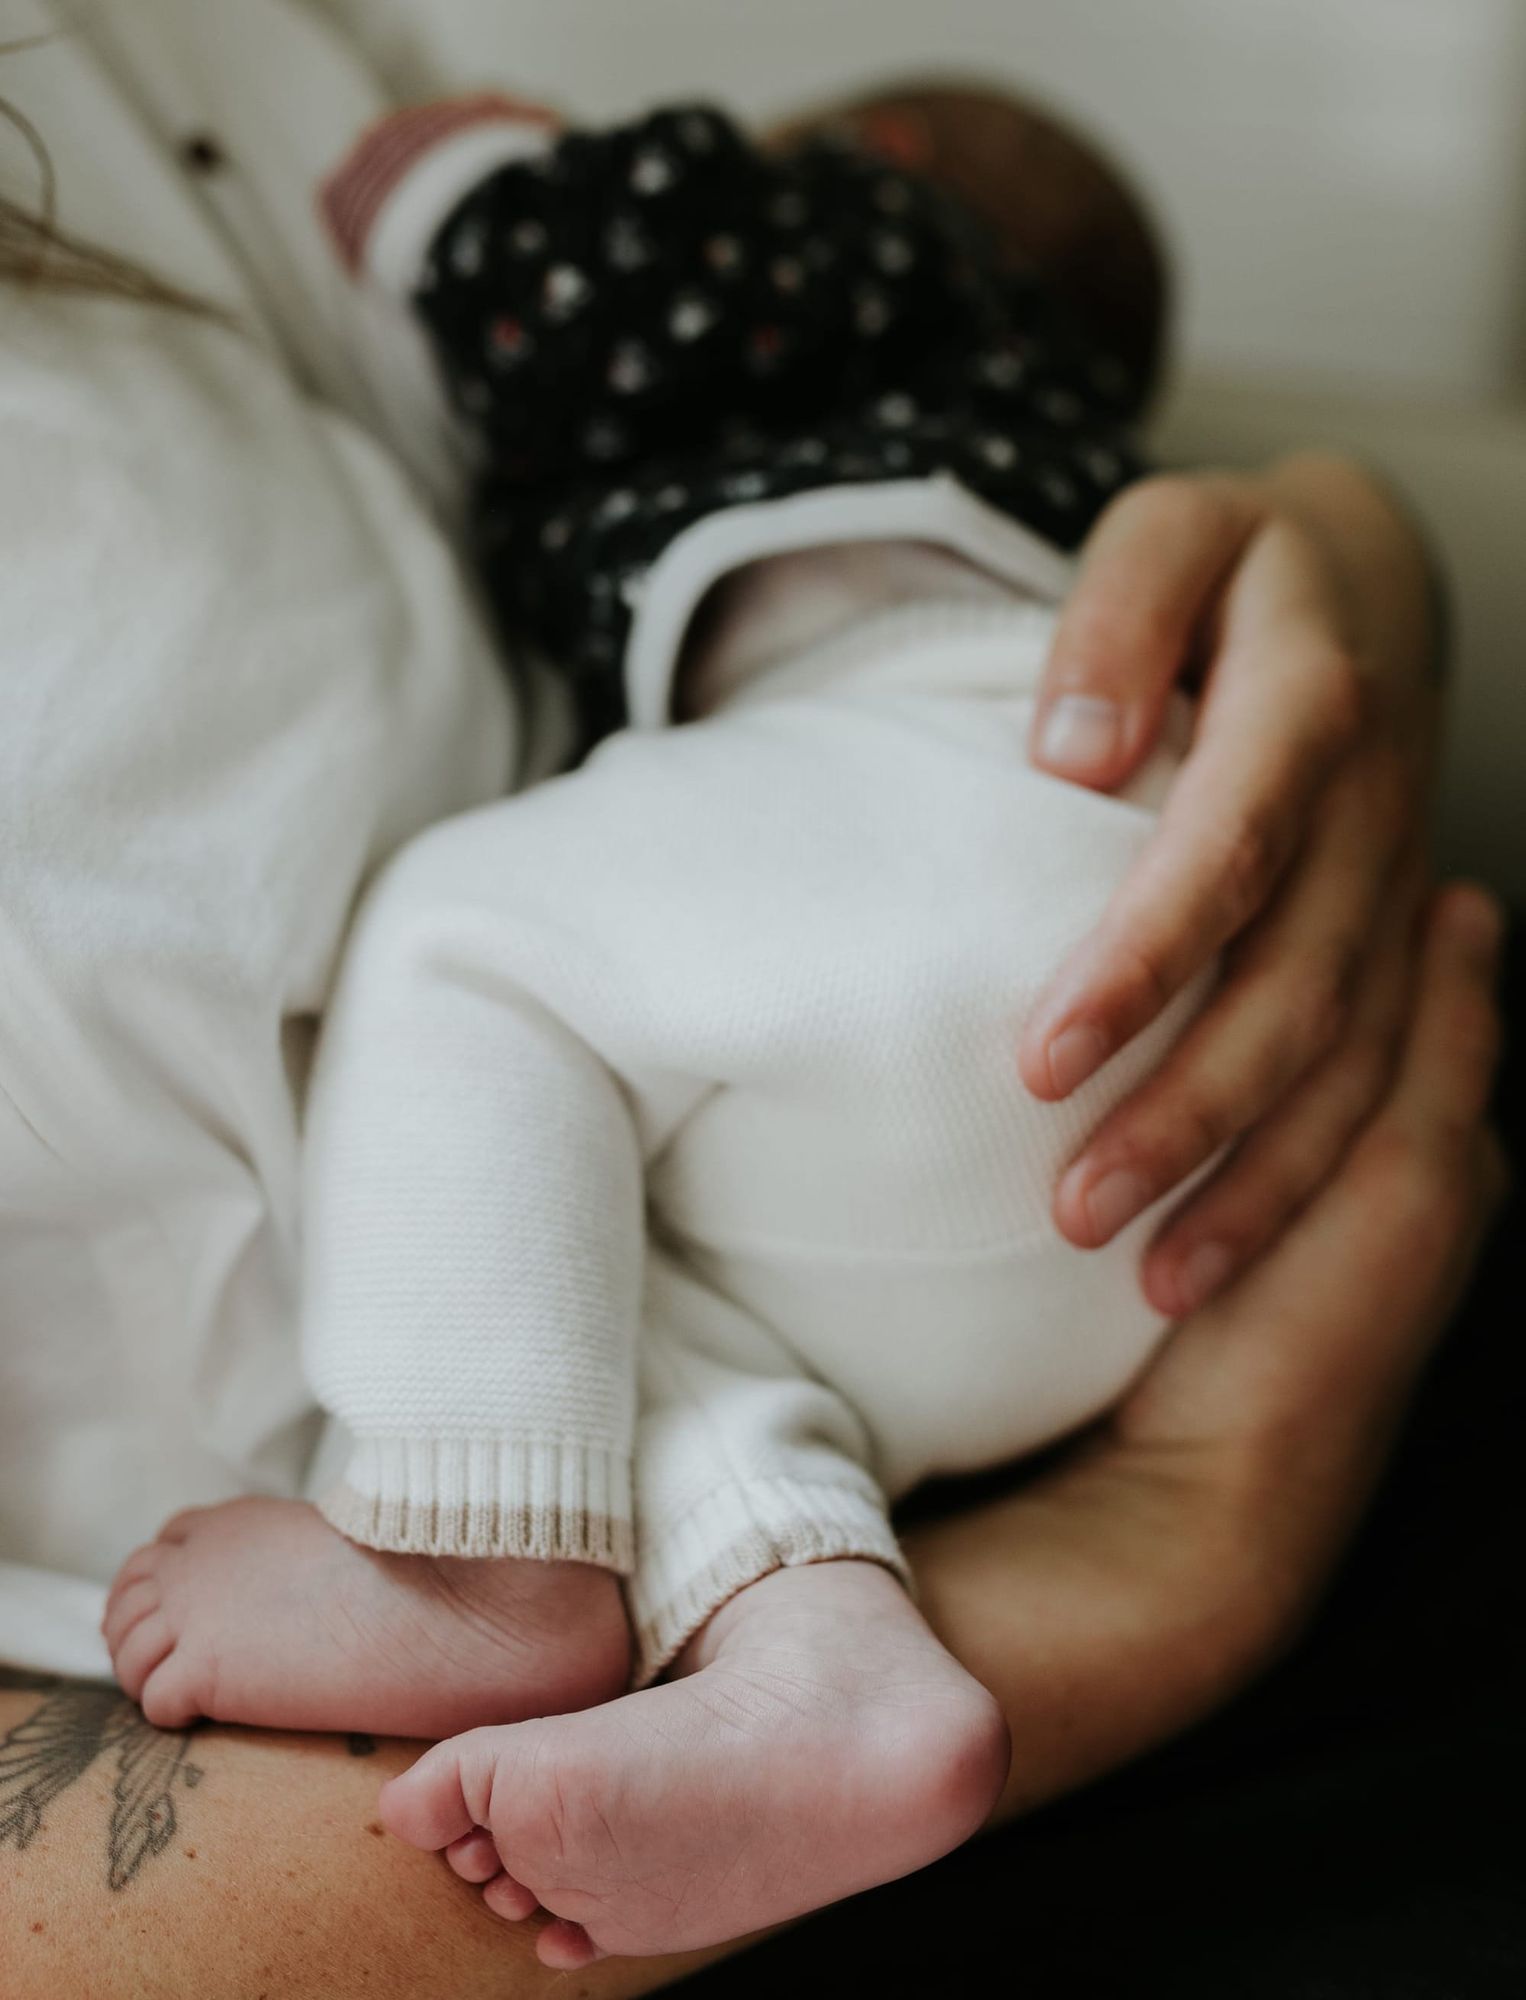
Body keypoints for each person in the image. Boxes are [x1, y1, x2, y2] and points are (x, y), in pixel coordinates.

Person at [0, 1, 1500, 1994]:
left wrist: (1347, 548)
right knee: (588, 1307)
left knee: (463, 945)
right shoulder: (845, 402)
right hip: (1020, 1284)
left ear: (885, 202)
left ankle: (471, 1558)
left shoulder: (816, 315)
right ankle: (830, 1673)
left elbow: (589, 266)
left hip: (1026, 934)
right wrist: (1159, 1547)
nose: (667, 160)